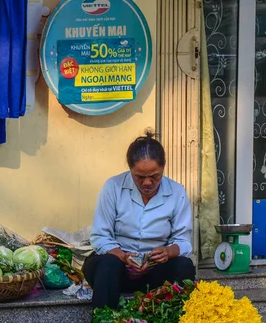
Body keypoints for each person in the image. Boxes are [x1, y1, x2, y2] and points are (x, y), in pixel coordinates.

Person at [83, 131, 196, 309]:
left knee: (184, 266)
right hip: (116, 272)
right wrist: (122, 256)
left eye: (154, 176)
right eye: (139, 177)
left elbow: (182, 241)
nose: (147, 183)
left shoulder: (177, 192)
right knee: (107, 263)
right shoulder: (113, 187)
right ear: (130, 170)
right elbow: (100, 236)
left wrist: (167, 252)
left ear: (163, 168)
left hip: (155, 274)